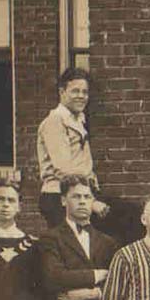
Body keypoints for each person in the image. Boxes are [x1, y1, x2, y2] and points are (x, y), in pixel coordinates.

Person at [37, 68, 105, 227]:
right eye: (75, 91)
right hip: (60, 197)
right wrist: (92, 202)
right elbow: (64, 169)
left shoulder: (76, 120)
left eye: (85, 92)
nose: (81, 96)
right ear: (62, 92)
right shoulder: (55, 121)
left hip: (80, 195)